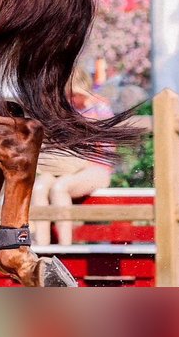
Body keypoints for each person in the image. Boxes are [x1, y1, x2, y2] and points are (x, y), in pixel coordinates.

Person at [30, 67, 115, 245]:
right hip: (66, 167)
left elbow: (108, 150)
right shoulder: (65, 109)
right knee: (39, 187)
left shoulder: (100, 108)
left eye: (75, 94)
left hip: (95, 168)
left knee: (60, 187)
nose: (73, 99)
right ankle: (41, 245)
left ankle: (65, 247)